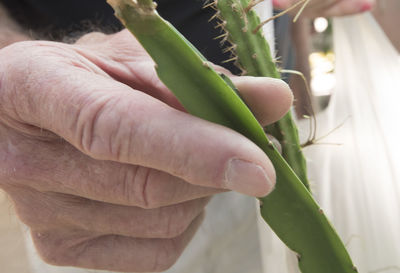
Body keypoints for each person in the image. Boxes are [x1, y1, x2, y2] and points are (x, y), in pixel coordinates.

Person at [0, 0, 375, 272]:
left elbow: (282, 22)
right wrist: (15, 92)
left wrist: (303, 116)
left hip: (279, 156)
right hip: (98, 177)